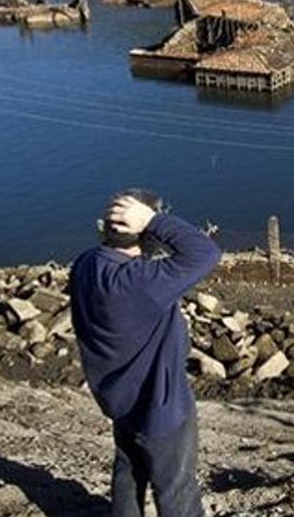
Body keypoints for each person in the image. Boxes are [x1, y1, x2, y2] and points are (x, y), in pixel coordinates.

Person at [69, 189, 221, 517]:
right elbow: (205, 252)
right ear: (148, 233)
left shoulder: (85, 266)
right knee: (176, 490)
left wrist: (148, 224)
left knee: (128, 473)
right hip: (160, 406)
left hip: (119, 398)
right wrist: (154, 220)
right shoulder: (142, 282)